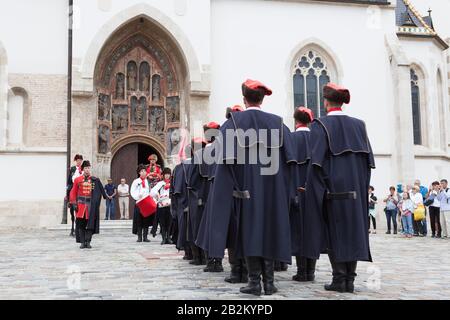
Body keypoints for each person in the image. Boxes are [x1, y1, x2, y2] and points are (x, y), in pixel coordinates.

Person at [203, 79, 295, 296]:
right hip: (273, 192)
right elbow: (291, 161)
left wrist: (230, 190)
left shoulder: (233, 123)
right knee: (270, 231)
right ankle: (270, 282)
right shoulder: (279, 123)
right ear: (262, 99)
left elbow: (222, 160)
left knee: (250, 233)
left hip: (245, 190)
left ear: (244, 99)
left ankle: (255, 282)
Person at [303, 83, 375, 294]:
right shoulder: (359, 125)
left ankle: (339, 278)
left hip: (332, 192)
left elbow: (316, 163)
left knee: (335, 234)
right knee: (353, 233)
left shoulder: (320, 125)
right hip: (356, 192)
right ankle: (349, 280)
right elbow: (368, 162)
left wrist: (314, 192)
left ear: (326, 102)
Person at [289, 106, 317, 282]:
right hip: (314, 193)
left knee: (298, 232)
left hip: (296, 192)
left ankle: (301, 271)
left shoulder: (291, 139)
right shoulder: (316, 138)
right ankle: (311, 272)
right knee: (312, 230)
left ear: (296, 120)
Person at [69, 160, 107, 249]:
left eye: (88, 168)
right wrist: (74, 202)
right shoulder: (77, 180)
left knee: (90, 225)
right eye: (86, 168)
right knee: (81, 225)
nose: (87, 170)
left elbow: (99, 191)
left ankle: (88, 241)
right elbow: (73, 192)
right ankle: (82, 242)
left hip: (90, 206)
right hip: (81, 206)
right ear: (83, 169)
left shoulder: (94, 180)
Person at [131, 164, 157, 243]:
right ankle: (139, 237)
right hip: (139, 203)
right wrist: (137, 196)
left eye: (145, 171)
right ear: (139, 173)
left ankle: (145, 237)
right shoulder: (136, 181)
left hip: (146, 203)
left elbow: (150, 191)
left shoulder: (147, 181)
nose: (143, 172)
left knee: (146, 220)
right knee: (139, 220)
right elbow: (132, 191)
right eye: (142, 171)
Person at [151, 168, 173, 245]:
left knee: (169, 222)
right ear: (163, 175)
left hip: (170, 205)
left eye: (168, 174)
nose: (167, 176)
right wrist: (157, 195)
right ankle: (164, 238)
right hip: (162, 205)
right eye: (165, 174)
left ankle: (169, 238)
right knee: (163, 223)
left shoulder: (172, 183)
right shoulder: (160, 183)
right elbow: (152, 192)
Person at [66, 154, 83, 238]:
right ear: (76, 161)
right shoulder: (72, 169)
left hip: (81, 188)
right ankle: (69, 201)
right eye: (78, 160)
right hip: (73, 186)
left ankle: (79, 229)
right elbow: (69, 179)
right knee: (69, 188)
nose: (79, 161)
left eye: (80, 160)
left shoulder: (83, 169)